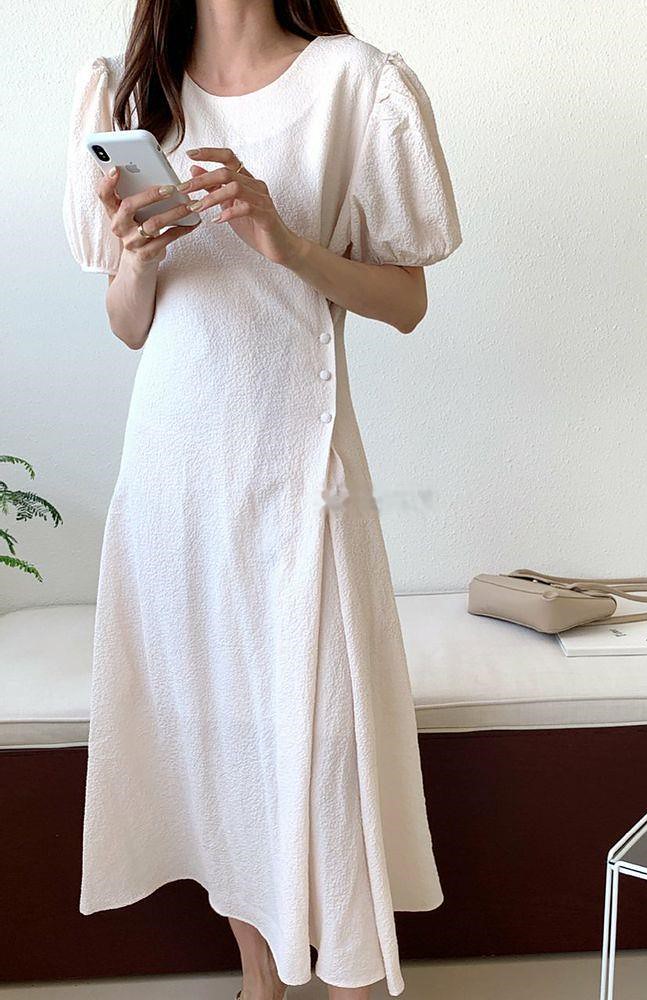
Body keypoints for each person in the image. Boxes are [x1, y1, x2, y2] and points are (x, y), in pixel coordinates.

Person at [62, 1, 462, 997]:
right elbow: (128, 327)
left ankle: (354, 980)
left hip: (300, 476)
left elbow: (407, 300)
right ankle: (260, 980)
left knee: (327, 749)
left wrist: (284, 240)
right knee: (217, 745)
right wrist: (139, 258)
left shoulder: (355, 84)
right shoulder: (129, 94)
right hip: (173, 482)